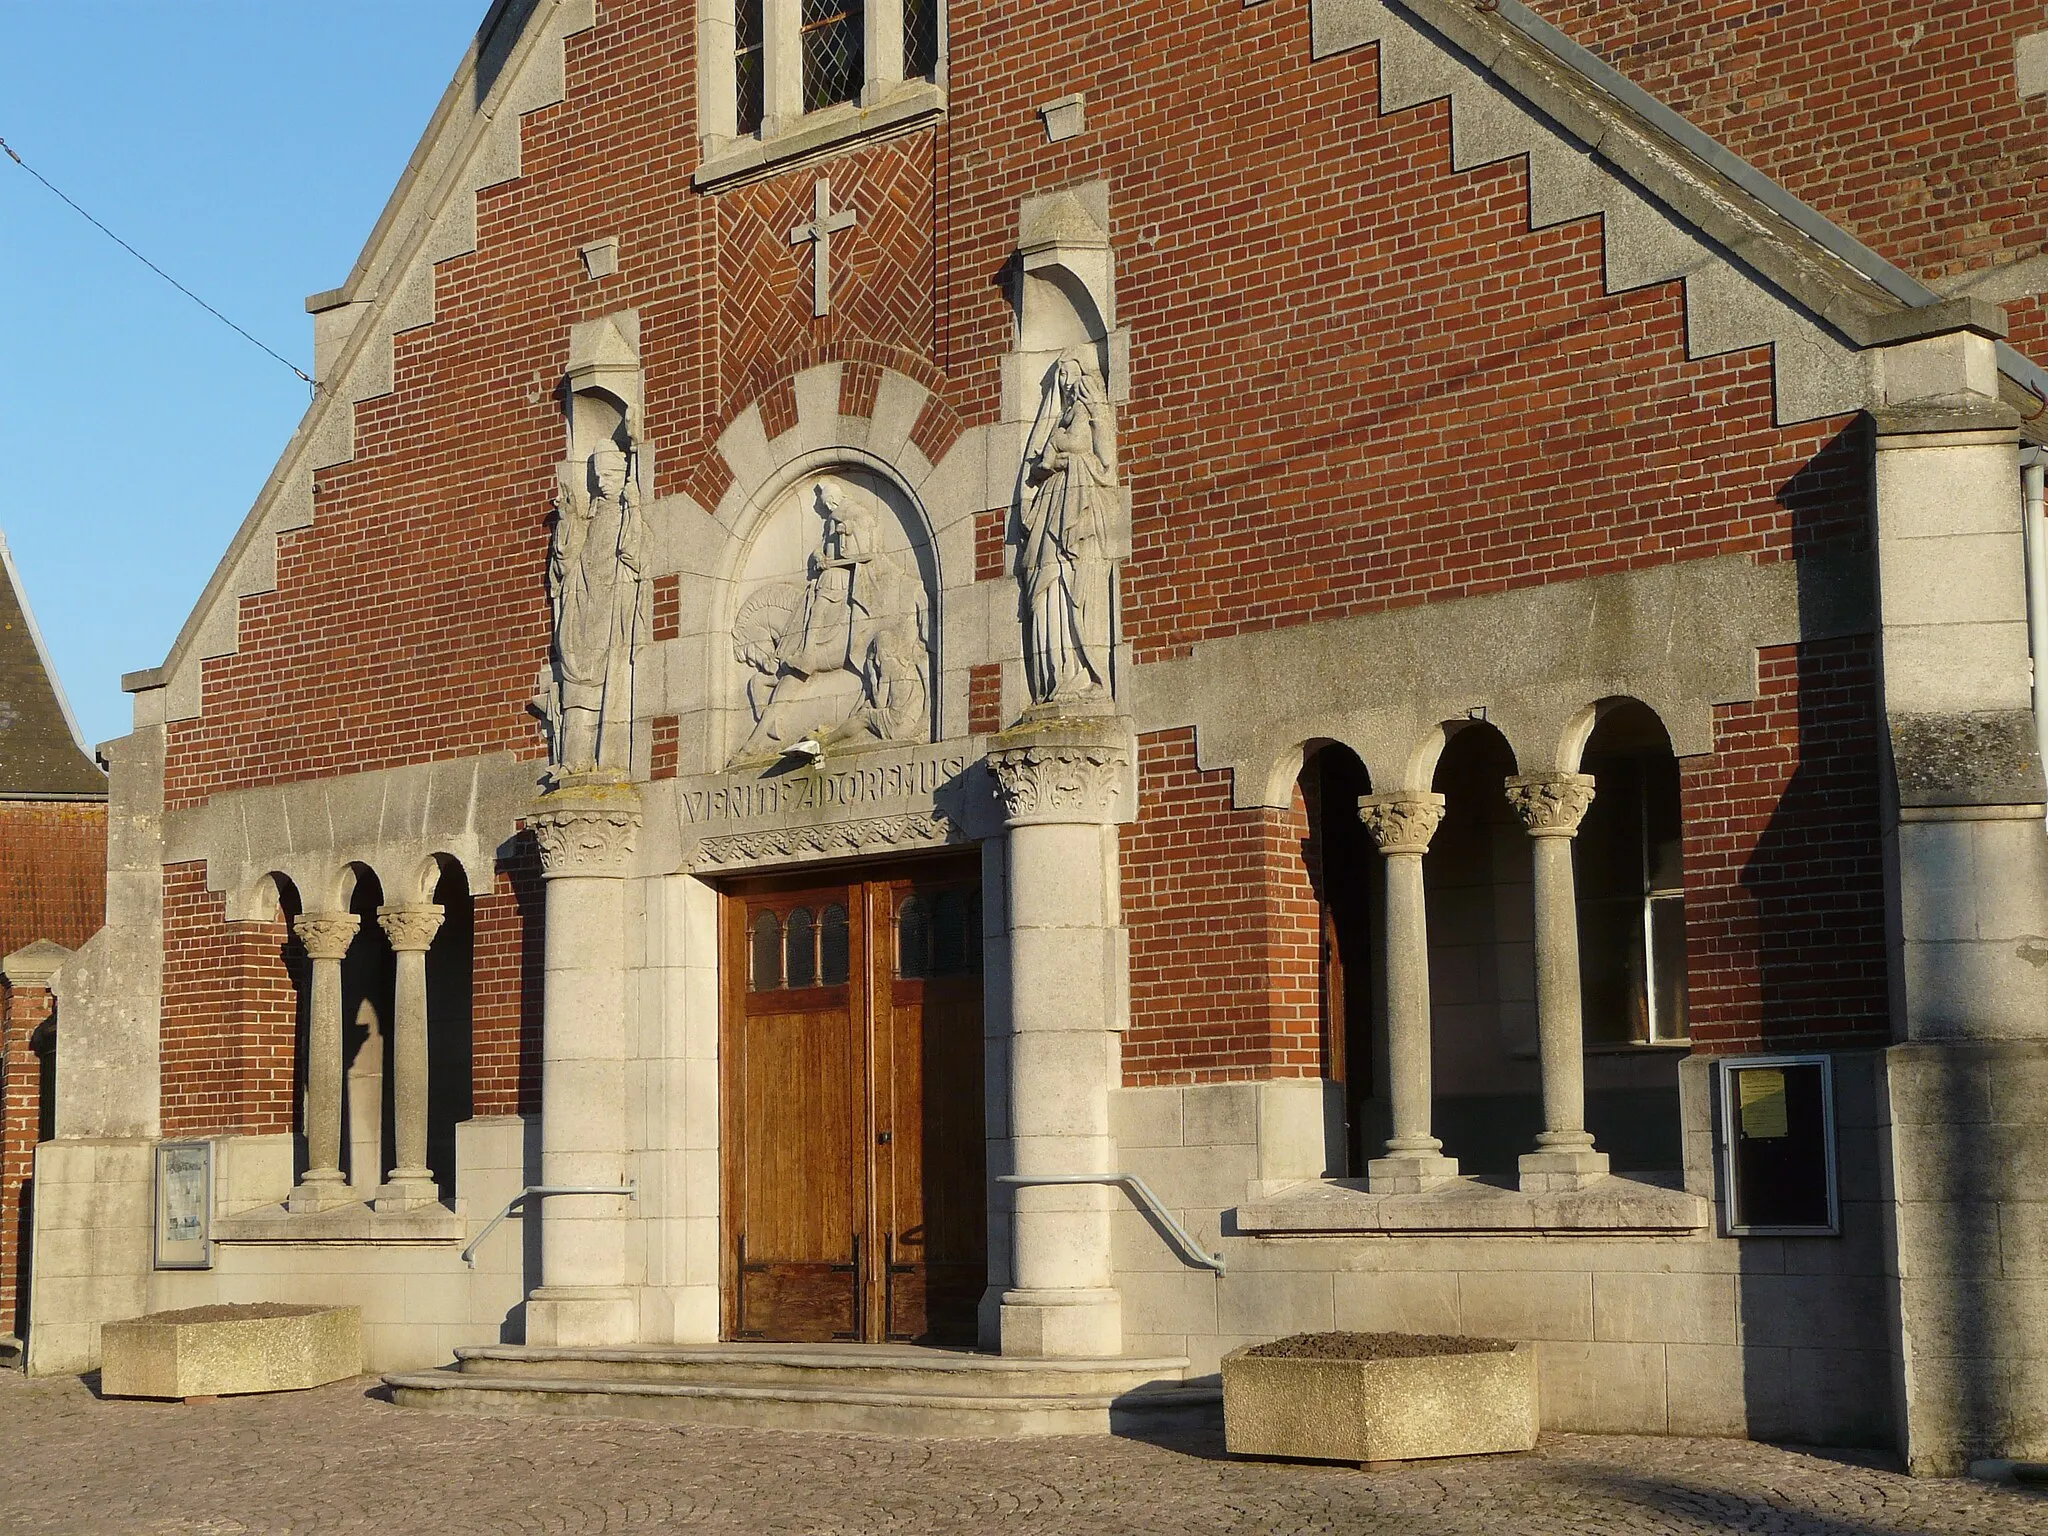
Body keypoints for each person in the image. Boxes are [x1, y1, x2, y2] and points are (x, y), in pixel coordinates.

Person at [1019, 351, 1117, 706]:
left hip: (1080, 505)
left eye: (1067, 371)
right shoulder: (1061, 415)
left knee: (1076, 579)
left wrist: (1060, 448)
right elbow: (1043, 464)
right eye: (1058, 374)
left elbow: (1103, 457)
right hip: (1053, 501)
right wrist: (1057, 456)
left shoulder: (1091, 409)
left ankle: (1086, 670)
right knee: (1046, 583)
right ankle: (1056, 675)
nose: (1063, 380)